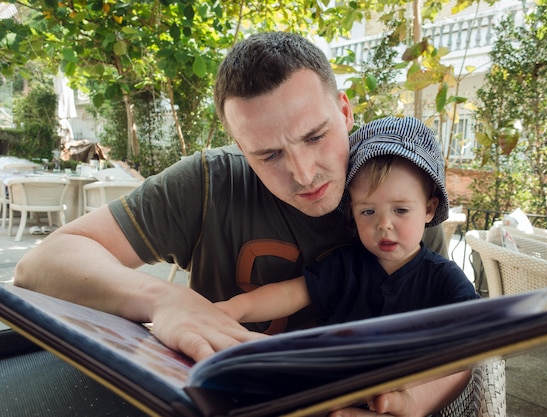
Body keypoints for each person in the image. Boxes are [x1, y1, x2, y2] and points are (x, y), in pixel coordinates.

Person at [15, 32, 463, 416]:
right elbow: (41, 264)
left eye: (316, 136)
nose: (304, 173)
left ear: (344, 113)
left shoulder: (399, 202)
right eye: (268, 155)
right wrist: (161, 300)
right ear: (240, 148)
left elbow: (458, 341)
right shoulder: (210, 182)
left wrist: (415, 402)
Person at [216, 116, 479, 327]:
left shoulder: (444, 279)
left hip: (411, 385)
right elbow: (289, 294)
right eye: (368, 212)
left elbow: (479, 327)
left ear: (429, 209)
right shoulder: (345, 267)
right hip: (338, 383)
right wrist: (236, 309)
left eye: (400, 210)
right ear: (352, 211)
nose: (384, 224)